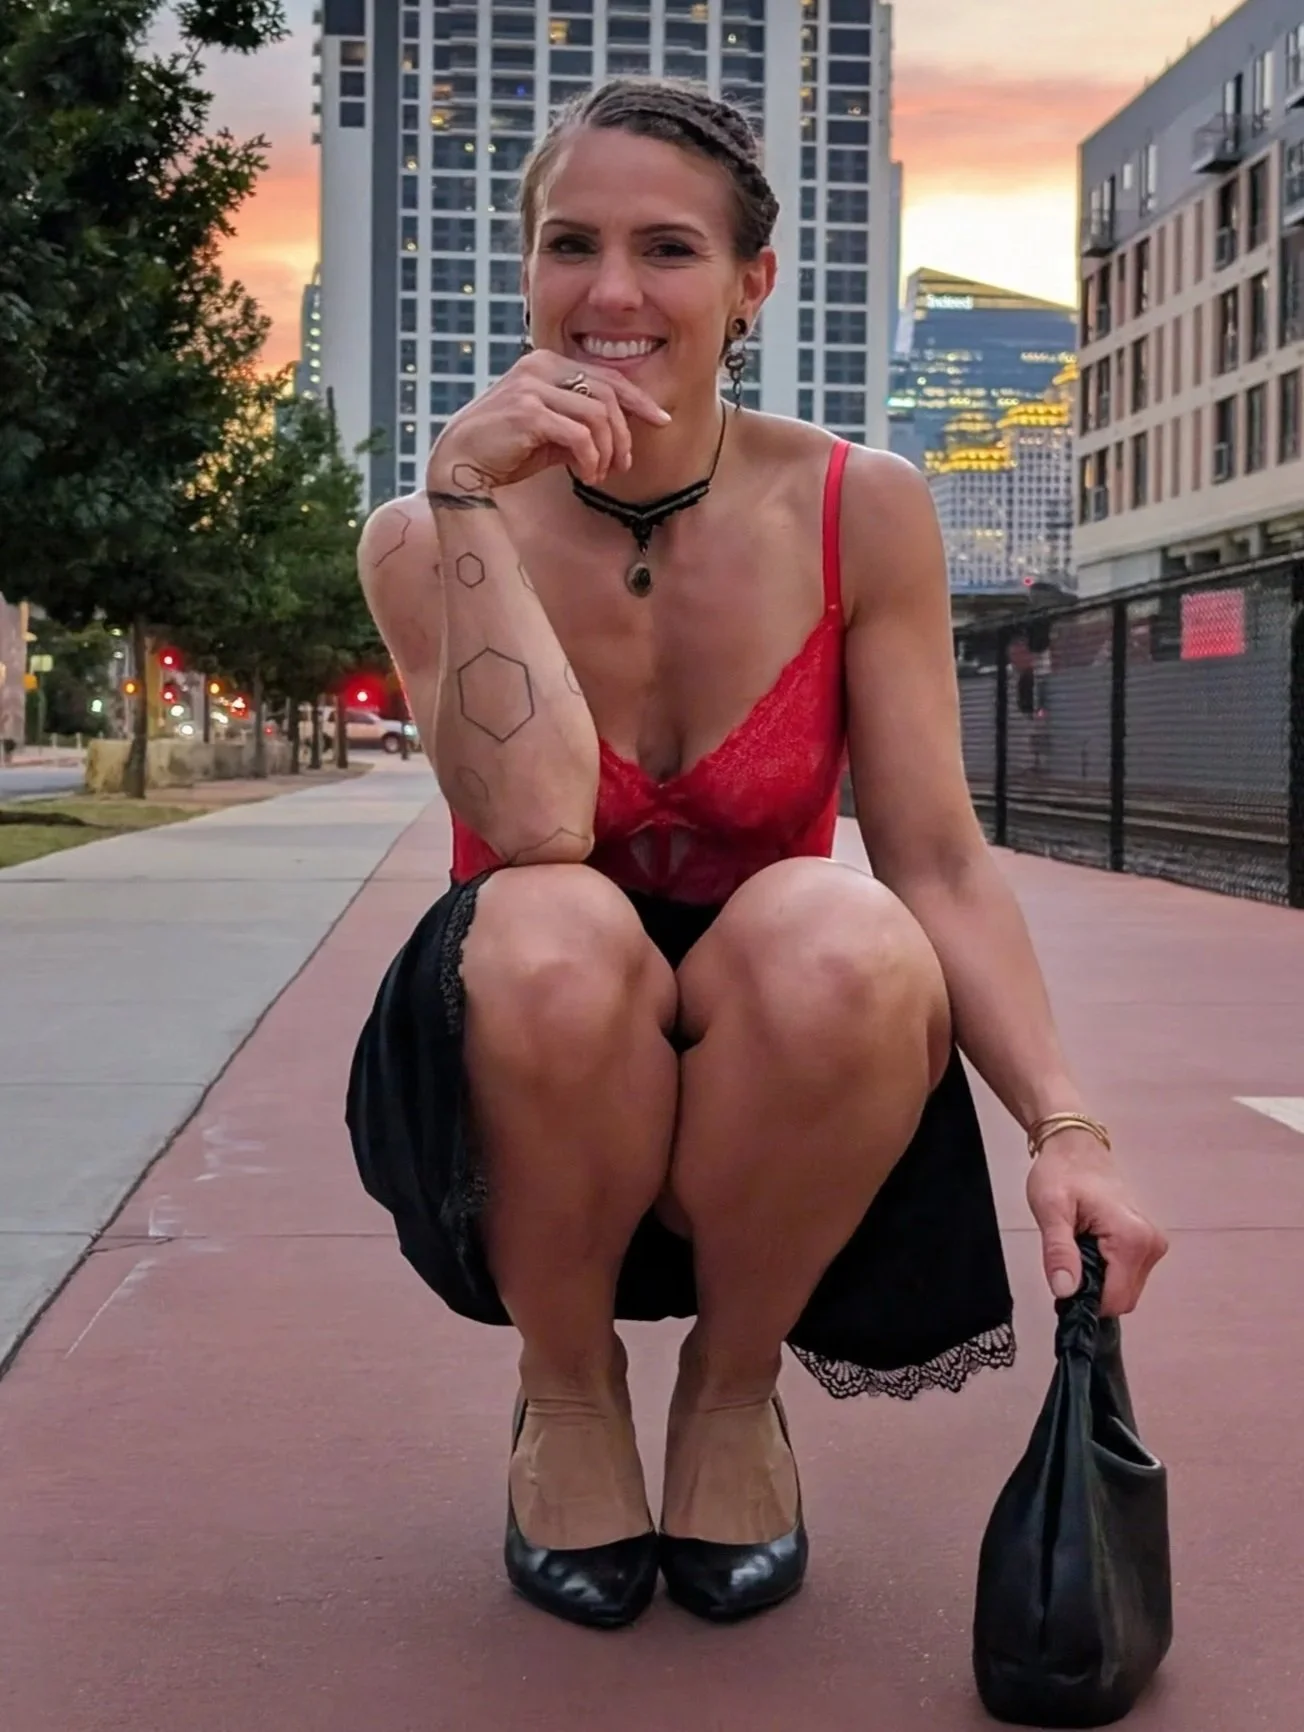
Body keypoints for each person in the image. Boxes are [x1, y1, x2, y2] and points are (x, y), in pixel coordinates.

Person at [347, 77, 1167, 1633]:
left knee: (849, 926)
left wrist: (1070, 1126)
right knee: (545, 921)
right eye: (568, 245)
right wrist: (464, 496)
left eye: (665, 248)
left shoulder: (864, 508)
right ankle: (568, 1390)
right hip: (530, 1046)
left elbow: (932, 852)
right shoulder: (423, 531)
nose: (609, 293)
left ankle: (730, 1397)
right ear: (524, 271)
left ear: (749, 286)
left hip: (781, 1058)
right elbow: (531, 829)